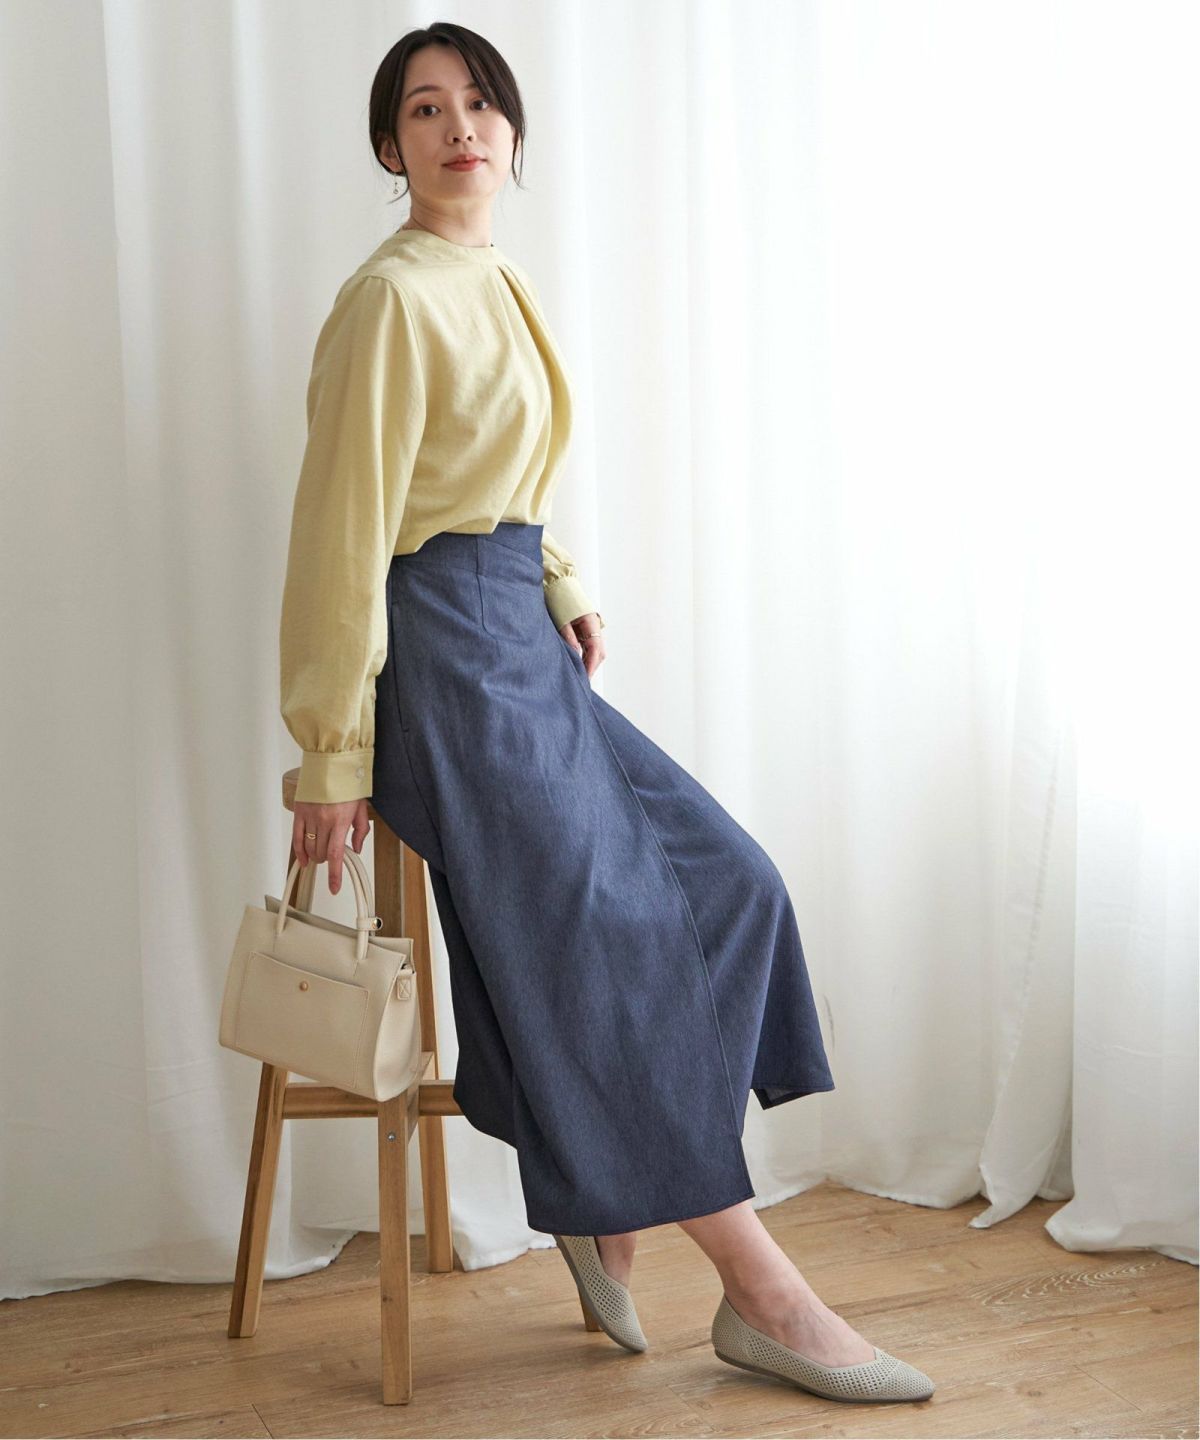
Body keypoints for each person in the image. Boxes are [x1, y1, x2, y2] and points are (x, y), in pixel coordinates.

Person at [277, 21, 933, 1405]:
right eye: (425, 109)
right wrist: (329, 752)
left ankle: (609, 1201)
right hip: (446, 665)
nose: (460, 127)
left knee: (732, 883)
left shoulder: (492, 277)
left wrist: (557, 576)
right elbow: (346, 535)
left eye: (480, 103)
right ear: (390, 146)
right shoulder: (390, 298)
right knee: (608, 943)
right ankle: (762, 1292)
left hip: (515, 631)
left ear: (514, 130)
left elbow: (487, 480)